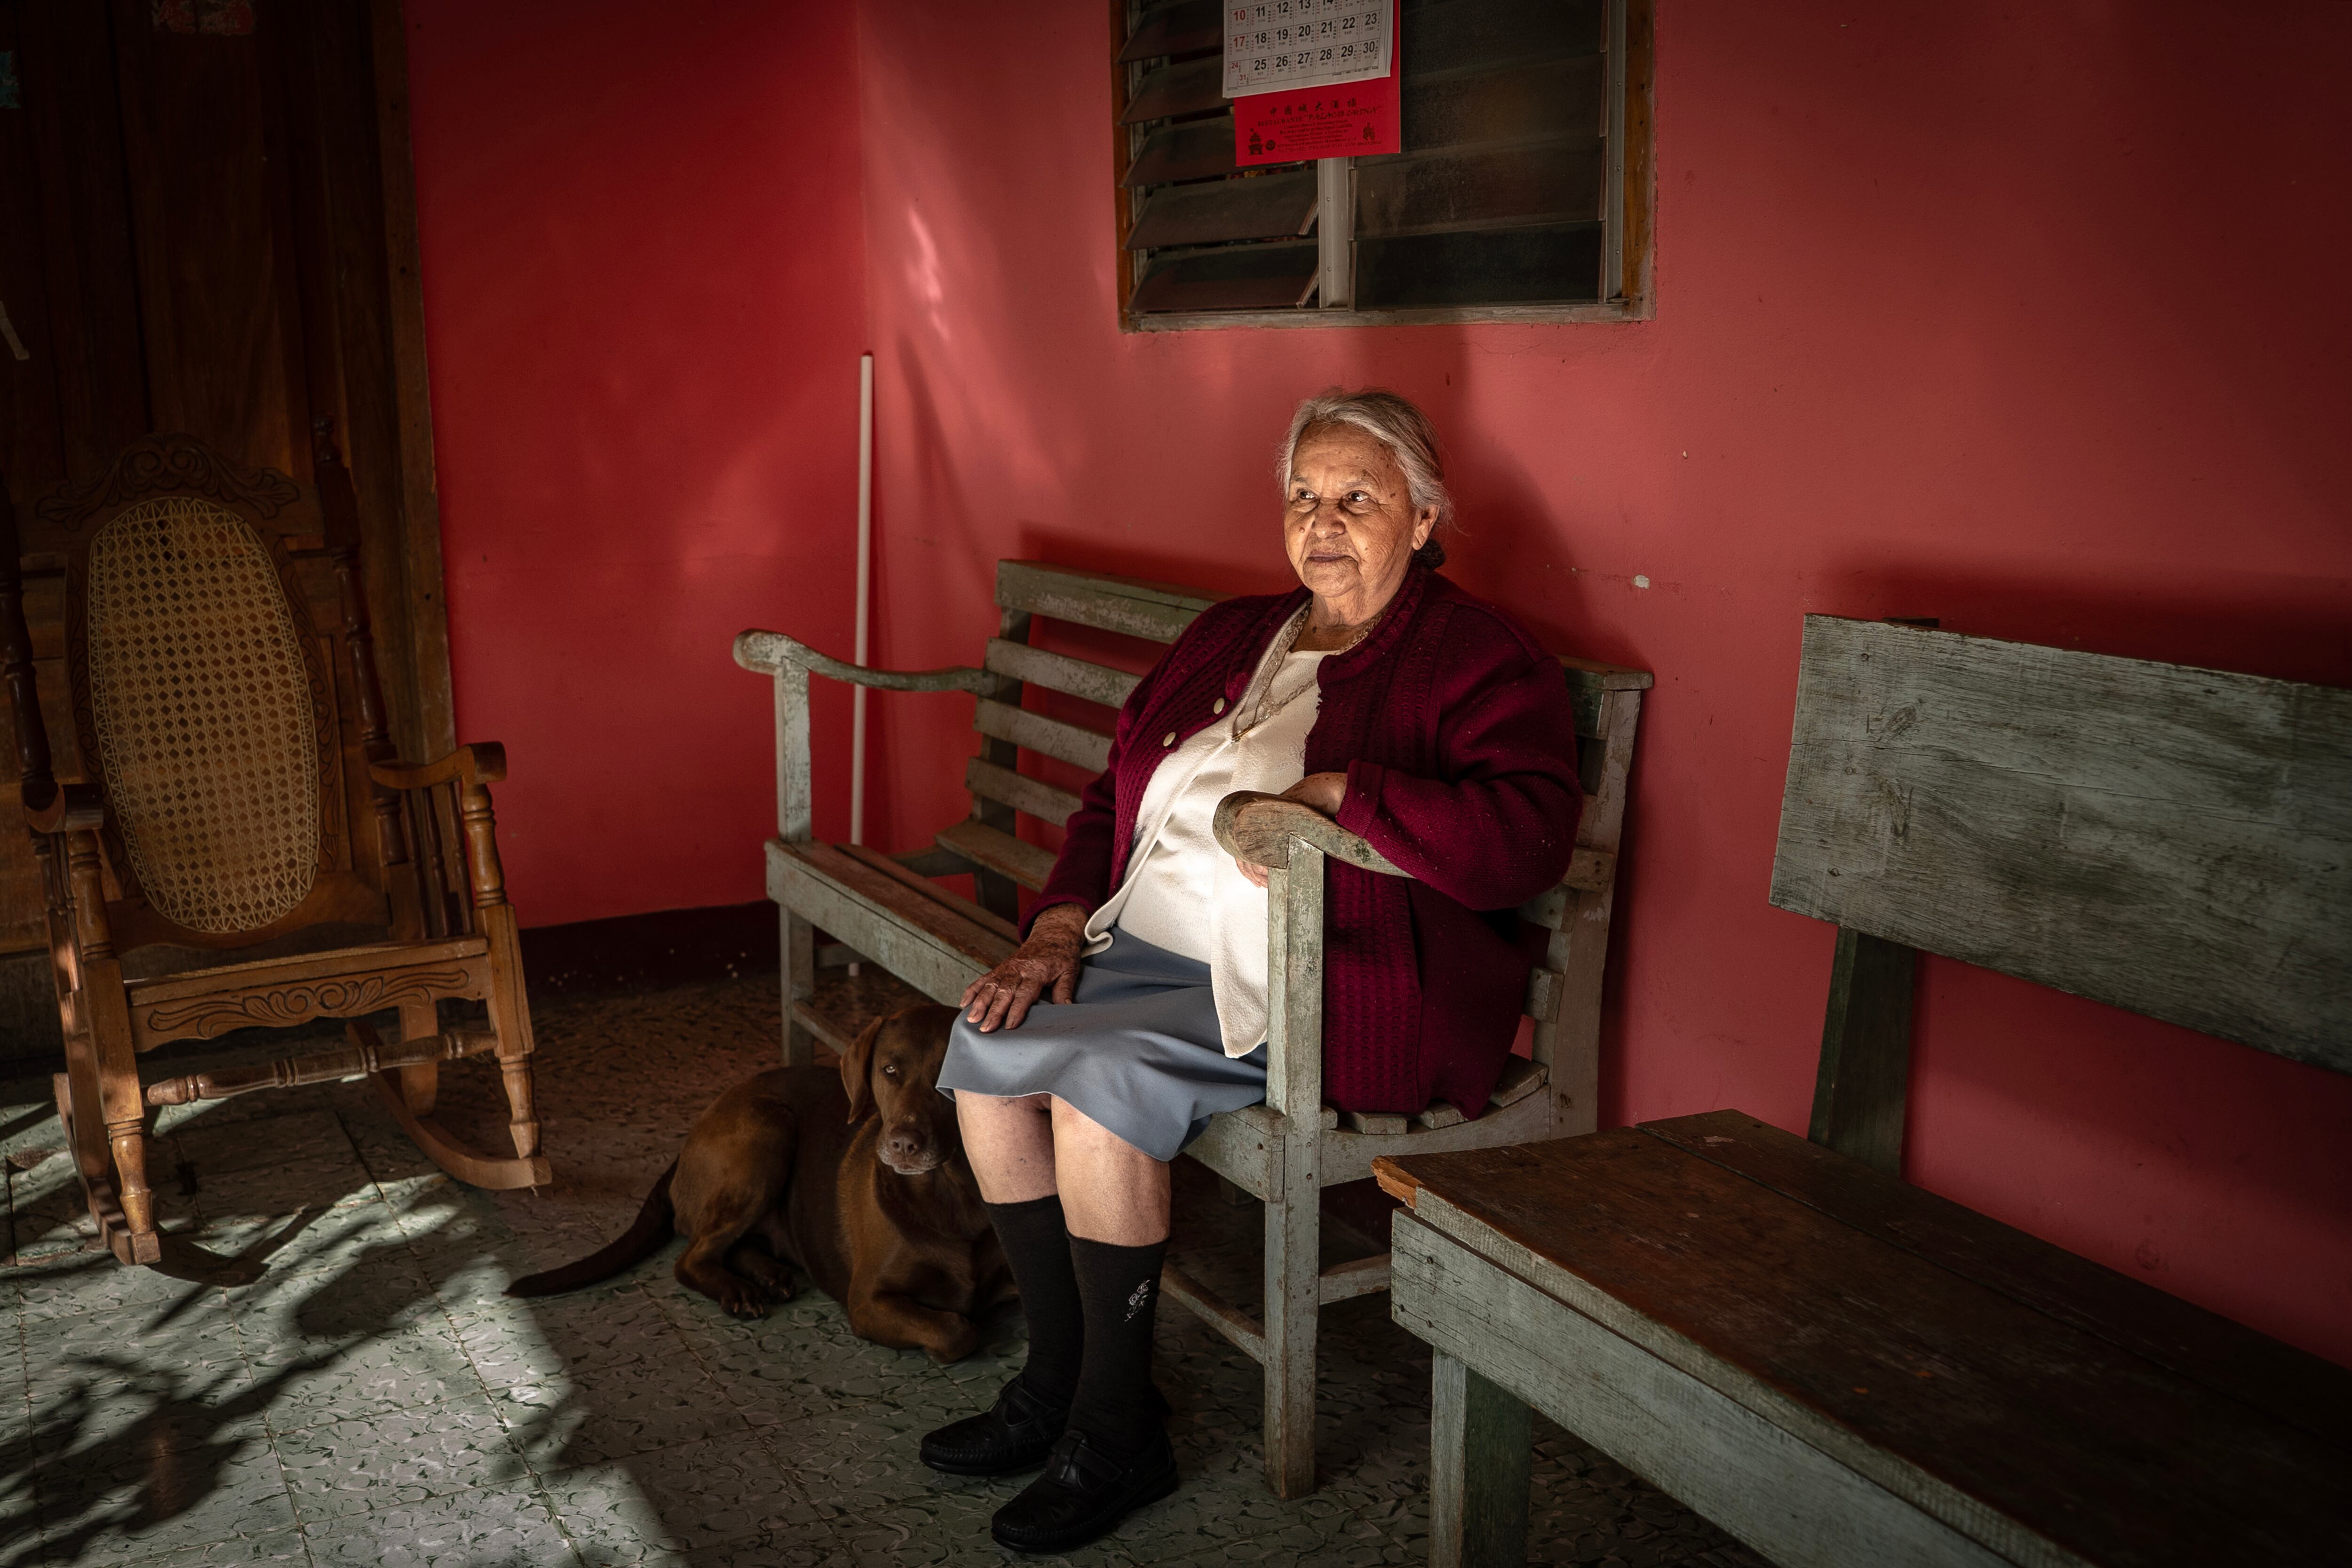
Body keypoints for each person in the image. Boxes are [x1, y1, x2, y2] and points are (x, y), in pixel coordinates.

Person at [921, 388, 1583, 1552]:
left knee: (1090, 1096)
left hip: (1333, 983)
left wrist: (1336, 794)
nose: (1322, 521)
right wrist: (1058, 923)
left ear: (1423, 517)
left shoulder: (1478, 657)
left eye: (1357, 498)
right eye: (1303, 496)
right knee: (987, 1056)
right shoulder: (1236, 632)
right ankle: (1060, 1386)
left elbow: (1526, 837)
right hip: (1145, 952)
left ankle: (1117, 1433)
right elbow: (1104, 797)